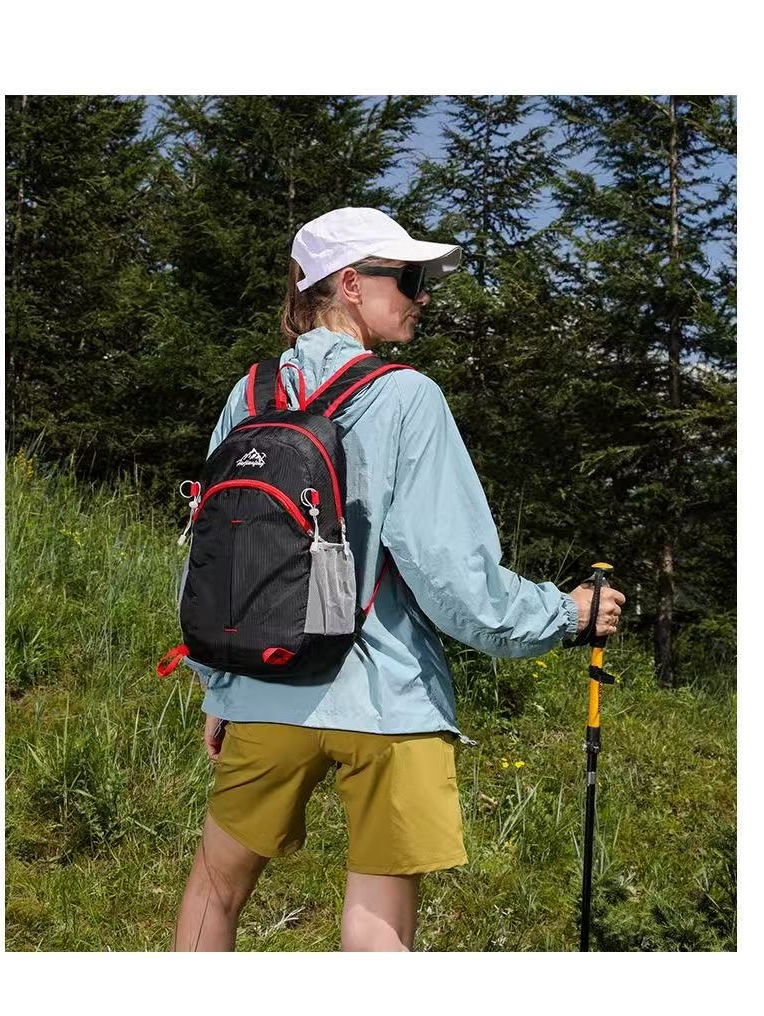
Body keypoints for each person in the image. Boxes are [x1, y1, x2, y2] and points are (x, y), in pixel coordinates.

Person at [171, 206, 625, 952]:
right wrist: (565, 615)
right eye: (409, 278)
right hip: (388, 702)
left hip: (262, 689)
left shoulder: (249, 396)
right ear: (351, 283)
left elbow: (211, 554)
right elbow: (453, 578)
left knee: (215, 890)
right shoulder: (408, 396)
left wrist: (219, 688)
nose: (422, 296)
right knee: (376, 925)